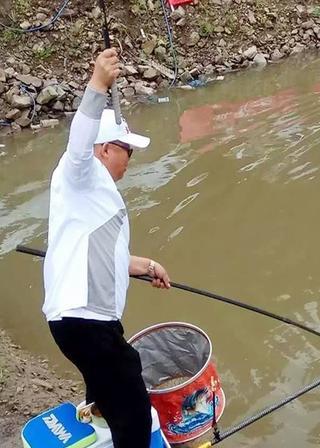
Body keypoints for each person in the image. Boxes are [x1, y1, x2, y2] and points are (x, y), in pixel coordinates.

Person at [42, 48, 171, 448]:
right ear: (103, 149)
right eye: (126, 149)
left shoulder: (92, 199)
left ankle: (98, 418)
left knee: (108, 390)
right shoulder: (80, 173)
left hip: (83, 324)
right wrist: (99, 84)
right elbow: (78, 141)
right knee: (132, 406)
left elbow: (102, 257)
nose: (130, 159)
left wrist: (145, 265)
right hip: (87, 321)